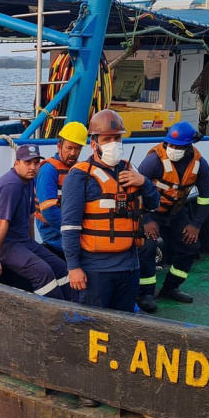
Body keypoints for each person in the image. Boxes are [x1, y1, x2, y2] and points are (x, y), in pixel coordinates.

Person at [60, 109, 160, 313]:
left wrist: (144, 182)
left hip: (130, 268)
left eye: (117, 138)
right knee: (93, 324)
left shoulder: (130, 170)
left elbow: (153, 204)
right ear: (94, 144)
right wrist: (74, 267)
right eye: (107, 139)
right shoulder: (79, 177)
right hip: (96, 271)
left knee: (124, 321)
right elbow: (70, 226)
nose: (113, 144)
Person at [135, 121, 209, 312]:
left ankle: (171, 287)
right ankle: (145, 293)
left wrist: (196, 225)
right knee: (147, 247)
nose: (173, 149)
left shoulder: (200, 165)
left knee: (191, 245)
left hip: (176, 213)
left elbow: (206, 197)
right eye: (170, 145)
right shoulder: (153, 162)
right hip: (150, 213)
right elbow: (135, 193)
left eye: (178, 147)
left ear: (189, 146)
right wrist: (146, 220)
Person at [0, 144, 72, 301]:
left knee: (61, 268)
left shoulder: (29, 181)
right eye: (27, 163)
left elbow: (30, 216)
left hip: (22, 241)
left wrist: (32, 244)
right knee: (42, 272)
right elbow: (1, 222)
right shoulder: (12, 185)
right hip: (3, 244)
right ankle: (57, 312)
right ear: (17, 164)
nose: (32, 167)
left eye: (36, 163)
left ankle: (73, 306)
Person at [35, 121, 87, 259]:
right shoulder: (48, 170)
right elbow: (49, 211)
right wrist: (73, 232)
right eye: (69, 148)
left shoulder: (79, 169)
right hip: (56, 236)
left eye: (78, 149)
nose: (73, 153)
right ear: (59, 146)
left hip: (74, 230)